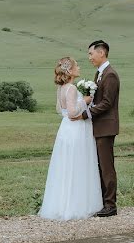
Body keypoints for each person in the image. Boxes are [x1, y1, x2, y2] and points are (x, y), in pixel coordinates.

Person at [38, 57, 103, 220]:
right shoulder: (72, 88)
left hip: (65, 128)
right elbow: (74, 113)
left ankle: (61, 204)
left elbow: (61, 110)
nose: (79, 68)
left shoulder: (61, 88)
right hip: (76, 129)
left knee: (66, 164)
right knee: (77, 164)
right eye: (76, 66)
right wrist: (86, 101)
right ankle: (77, 206)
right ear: (70, 71)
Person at [74, 39, 120, 217]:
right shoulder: (99, 74)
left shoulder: (110, 75)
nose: (89, 57)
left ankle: (110, 205)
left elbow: (107, 103)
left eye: (91, 53)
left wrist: (85, 114)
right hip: (99, 126)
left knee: (107, 166)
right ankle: (103, 202)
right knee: (100, 165)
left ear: (102, 53)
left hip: (106, 127)